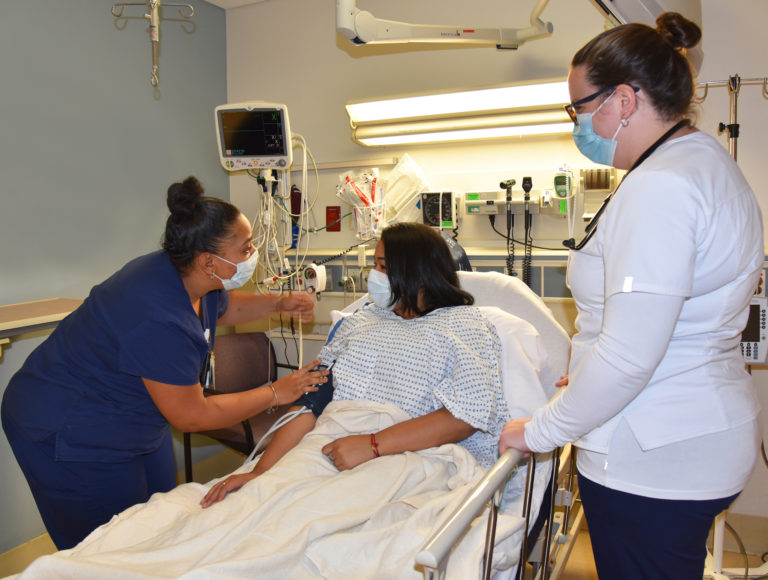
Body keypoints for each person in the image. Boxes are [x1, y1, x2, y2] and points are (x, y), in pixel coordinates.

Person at [498, 13, 763, 580]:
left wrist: (538, 431)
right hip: (687, 434)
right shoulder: (701, 162)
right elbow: (656, 327)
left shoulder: (661, 187)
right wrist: (591, 370)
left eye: (579, 106)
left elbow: (630, 355)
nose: (576, 123)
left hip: (655, 458)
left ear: (623, 99)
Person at [1, 176, 329, 550]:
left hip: (131, 416)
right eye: (246, 248)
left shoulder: (188, 273)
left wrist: (276, 303)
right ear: (210, 262)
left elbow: (223, 308)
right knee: (111, 549)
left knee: (159, 520)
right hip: (67, 425)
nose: (252, 254)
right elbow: (192, 416)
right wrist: (275, 392)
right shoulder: (156, 315)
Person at [201, 222, 511, 507]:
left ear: (416, 272)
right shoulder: (363, 320)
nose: (373, 276)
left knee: (323, 513)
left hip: (414, 454)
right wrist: (262, 472)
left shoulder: (466, 326)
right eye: (375, 265)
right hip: (331, 442)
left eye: (383, 267)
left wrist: (373, 445)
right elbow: (313, 402)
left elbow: (466, 416)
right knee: (262, 500)